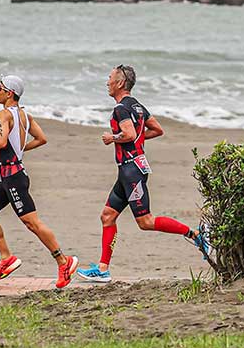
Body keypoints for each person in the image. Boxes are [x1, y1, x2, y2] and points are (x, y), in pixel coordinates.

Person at [78, 64, 211, 282]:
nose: (107, 82)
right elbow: (157, 130)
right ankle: (102, 269)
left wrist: (113, 138)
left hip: (132, 172)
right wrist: (136, 138)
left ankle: (196, 235)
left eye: (110, 78)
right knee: (107, 216)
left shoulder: (121, 109)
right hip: (128, 172)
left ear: (120, 83)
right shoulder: (138, 107)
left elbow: (129, 134)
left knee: (146, 222)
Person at [0, 74, 79, 288]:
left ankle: (63, 261)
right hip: (9, 177)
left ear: (9, 93)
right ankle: (7, 259)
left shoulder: (4, 114)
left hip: (14, 178)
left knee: (32, 223)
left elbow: (2, 142)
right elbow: (41, 139)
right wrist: (20, 152)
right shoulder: (24, 116)